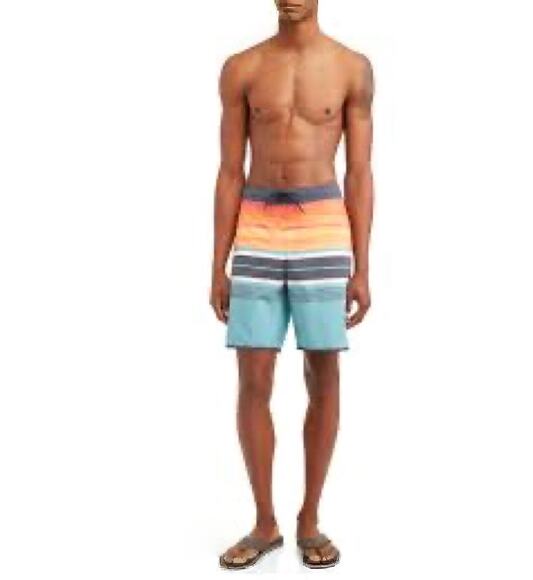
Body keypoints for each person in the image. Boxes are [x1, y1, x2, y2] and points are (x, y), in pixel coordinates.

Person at [210, 0, 374, 570]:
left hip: (323, 224)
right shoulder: (242, 67)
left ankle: (310, 519)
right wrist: (217, 263)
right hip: (257, 223)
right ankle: (264, 522)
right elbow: (229, 171)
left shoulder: (352, 67)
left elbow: (360, 172)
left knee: (323, 371)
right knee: (253, 376)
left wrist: (363, 265)